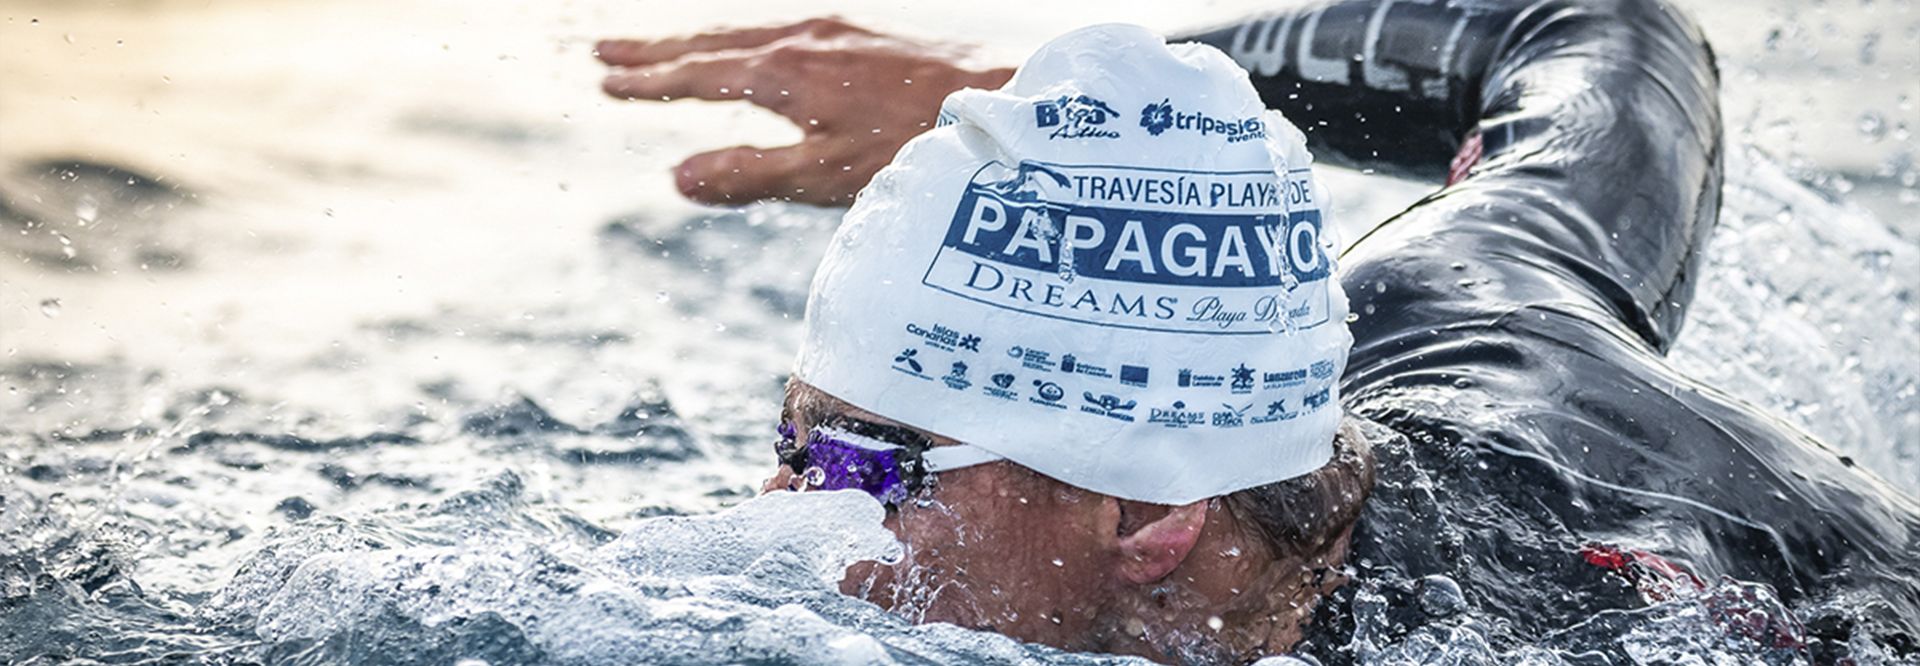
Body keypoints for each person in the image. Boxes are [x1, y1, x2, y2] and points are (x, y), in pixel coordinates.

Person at [595, 1, 1920, 663]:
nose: (780, 505)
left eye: (864, 467)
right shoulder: (1445, 290)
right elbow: (1588, 29)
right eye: (794, 443)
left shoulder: (1598, 623)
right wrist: (1028, 110)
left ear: (1151, 522)